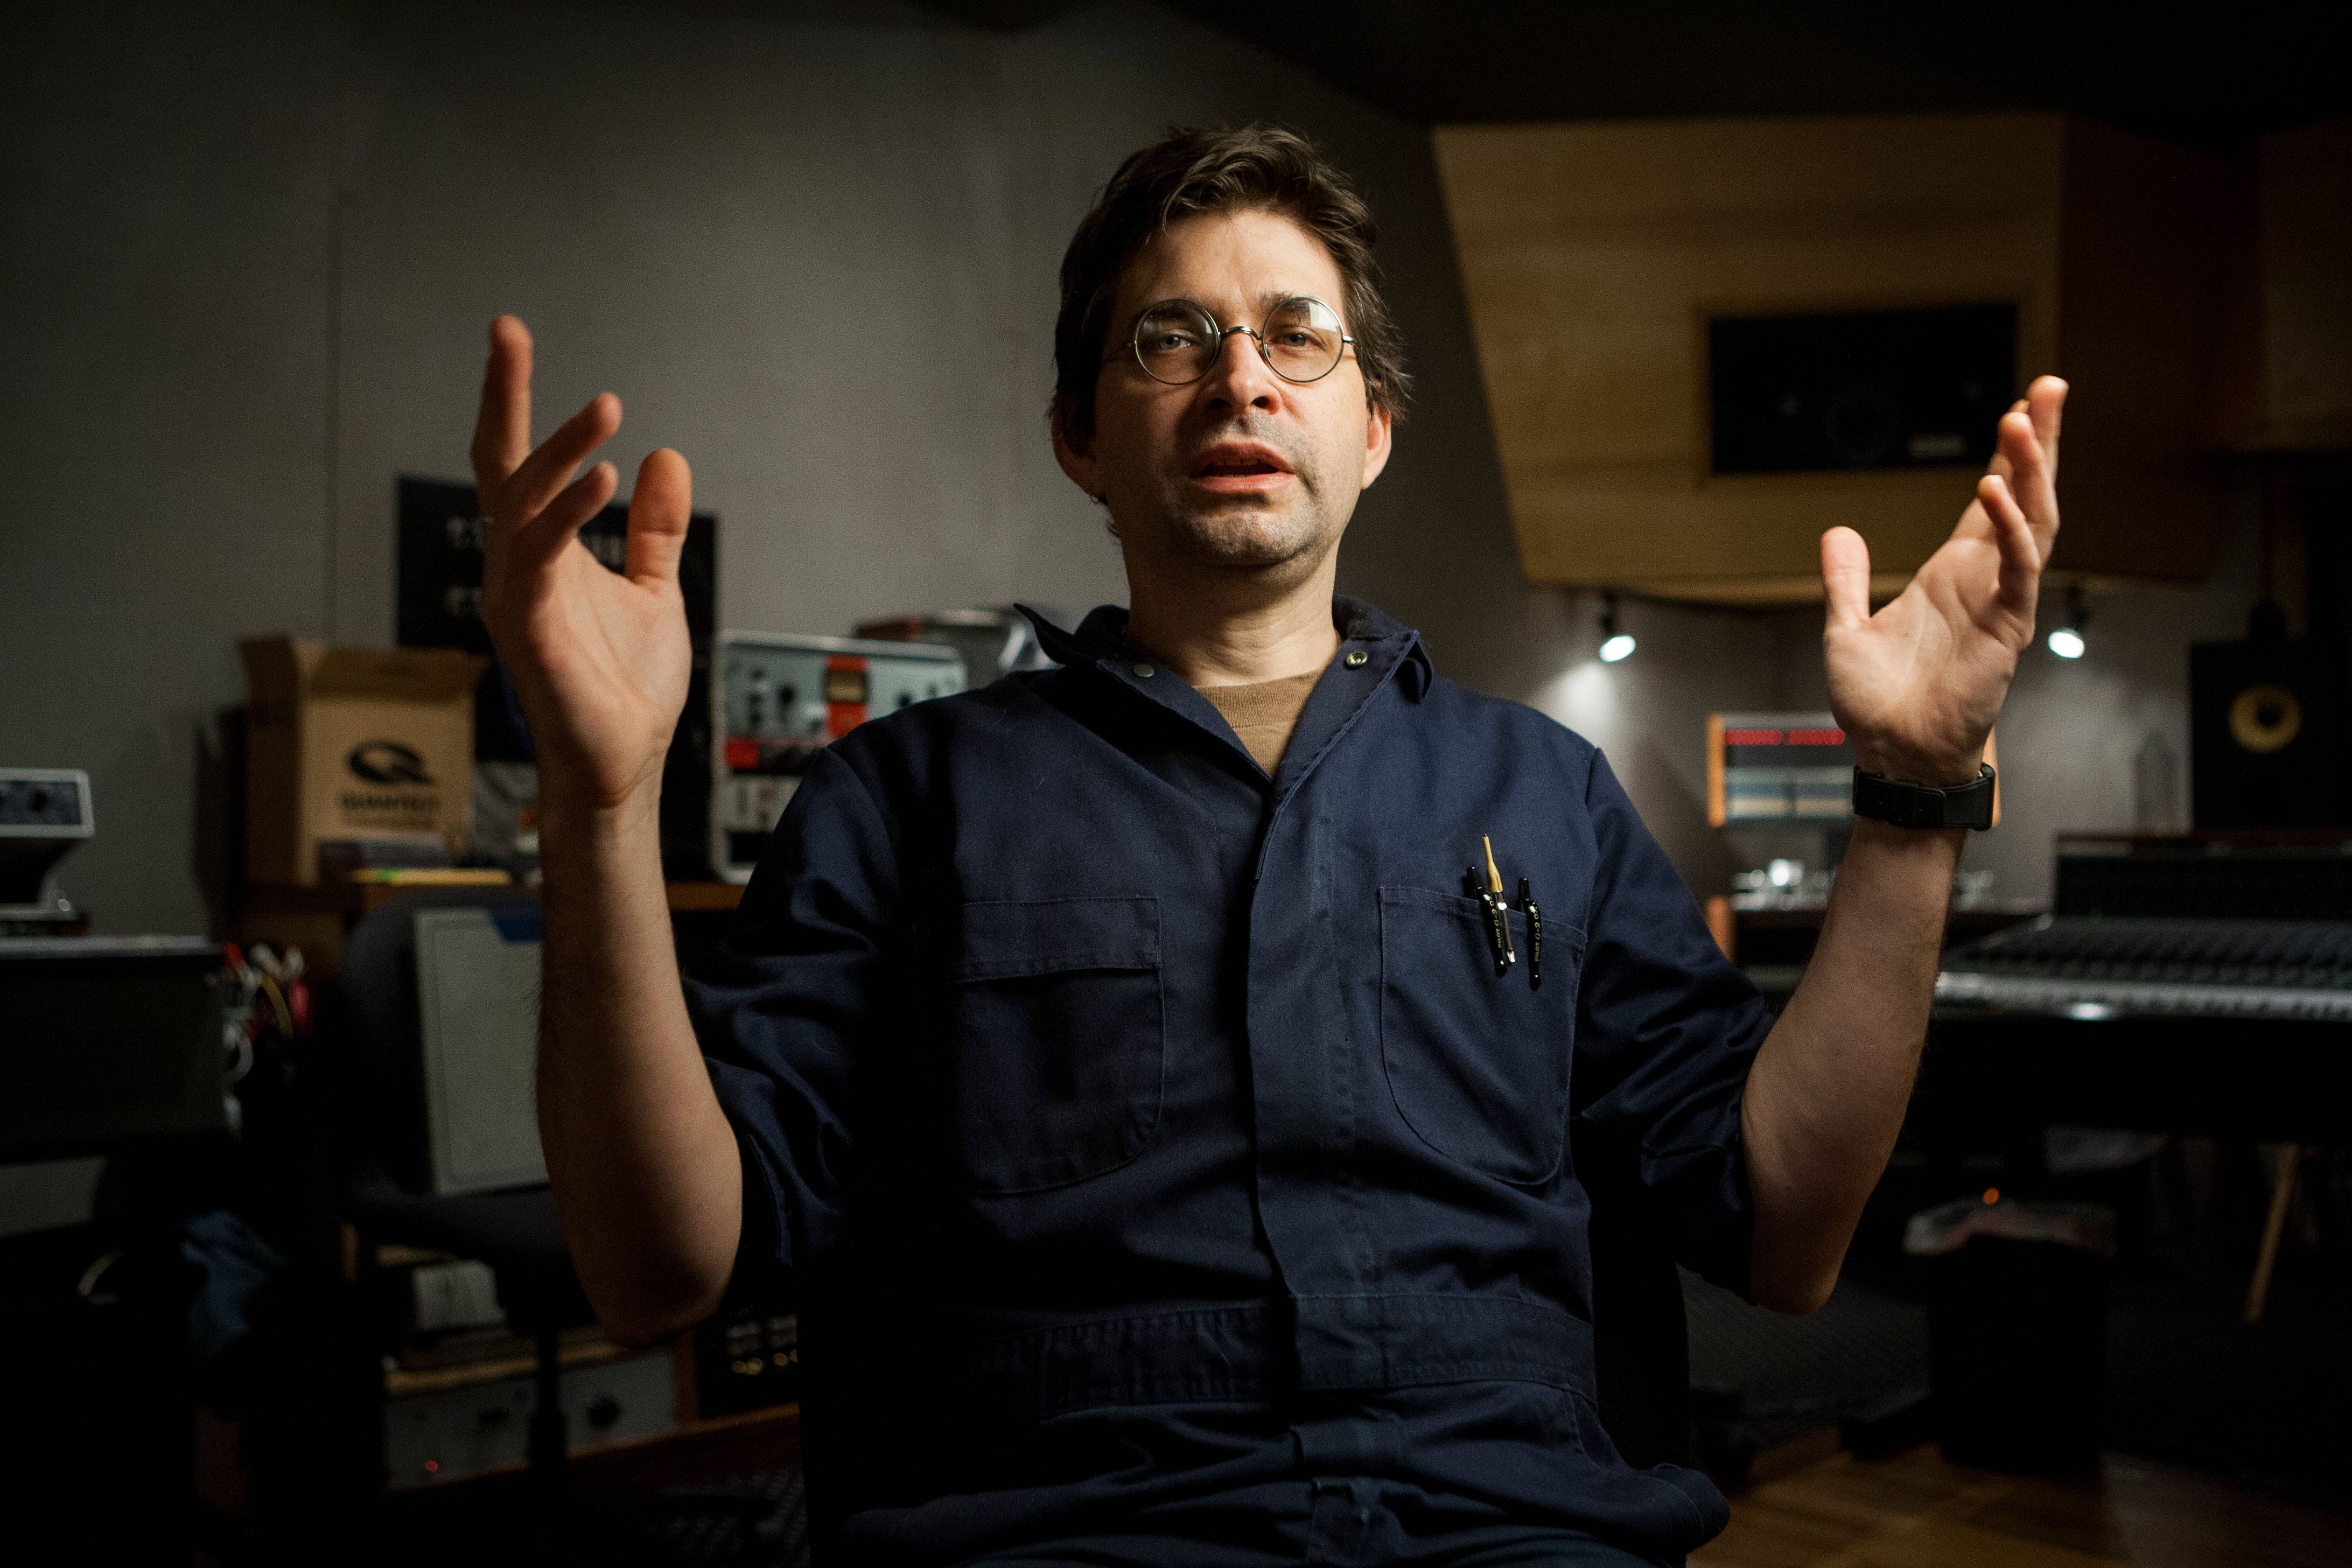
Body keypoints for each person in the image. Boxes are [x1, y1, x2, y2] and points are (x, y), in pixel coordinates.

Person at [469, 125, 2064, 1566]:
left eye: (1298, 337)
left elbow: (1784, 1235)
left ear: (1371, 429)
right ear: (1079, 437)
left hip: (1517, 1530)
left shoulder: (1548, 794)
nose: (1242, 377)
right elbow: (657, 1271)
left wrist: (1916, 801)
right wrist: (600, 803)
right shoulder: (903, 805)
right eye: (1173, 337)